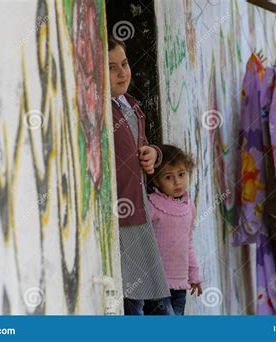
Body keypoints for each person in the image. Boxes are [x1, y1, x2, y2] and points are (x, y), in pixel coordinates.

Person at [108, 36, 173, 315]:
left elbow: (142, 145)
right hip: (120, 216)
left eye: (124, 63)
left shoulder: (130, 104)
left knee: (150, 298)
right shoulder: (101, 110)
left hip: (138, 211)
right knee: (133, 300)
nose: (123, 73)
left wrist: (154, 154)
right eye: (112, 67)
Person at [148, 144, 203, 315]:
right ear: (156, 180)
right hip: (157, 283)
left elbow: (188, 243)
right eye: (168, 177)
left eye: (181, 174)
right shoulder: (152, 204)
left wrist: (194, 275)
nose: (177, 182)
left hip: (180, 285)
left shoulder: (189, 207)